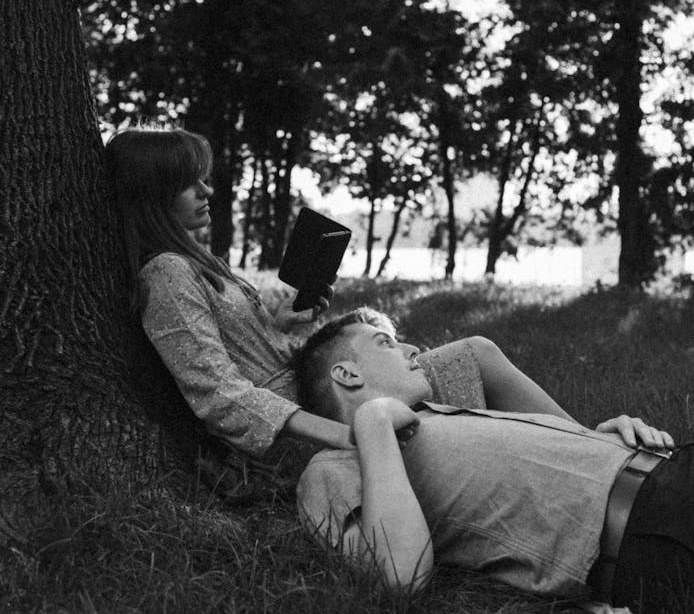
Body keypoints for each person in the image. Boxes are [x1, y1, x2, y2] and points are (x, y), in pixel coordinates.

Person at [104, 125, 573, 473]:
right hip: (304, 429)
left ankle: (582, 447)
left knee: (474, 355)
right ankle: (586, 451)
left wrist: (281, 324)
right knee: (474, 359)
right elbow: (217, 394)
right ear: (152, 196)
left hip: (320, 395)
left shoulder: (194, 261)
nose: (207, 190)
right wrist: (349, 435)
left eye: (203, 178)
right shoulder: (166, 273)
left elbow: (243, 350)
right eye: (189, 183)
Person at [295, 309, 694, 614]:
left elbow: (480, 359)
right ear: (347, 375)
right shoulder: (332, 469)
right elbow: (398, 576)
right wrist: (373, 422)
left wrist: (604, 436)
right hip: (670, 531)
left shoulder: (438, 413)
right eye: (387, 344)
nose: (414, 348)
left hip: (690, 466)